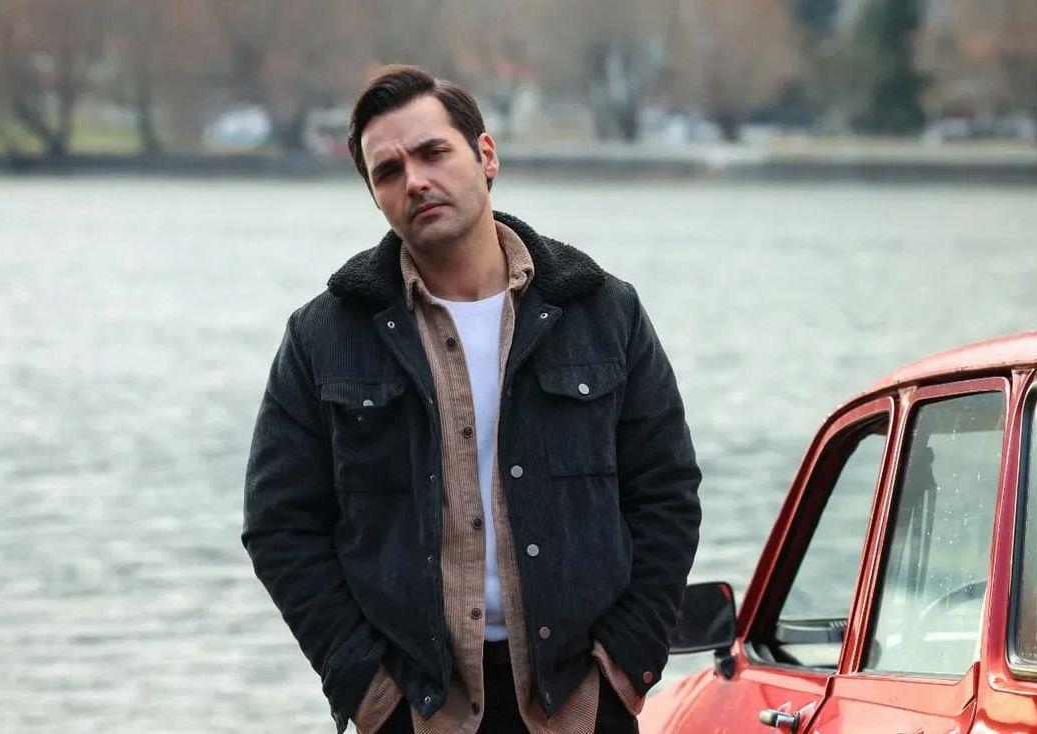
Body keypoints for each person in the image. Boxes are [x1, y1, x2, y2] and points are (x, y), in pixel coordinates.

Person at [243, 65, 702, 734]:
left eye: (433, 152)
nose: (415, 180)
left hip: (577, 702)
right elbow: (280, 526)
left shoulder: (603, 312)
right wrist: (368, 691)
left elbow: (666, 493)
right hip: (417, 710)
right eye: (389, 171)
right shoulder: (325, 337)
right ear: (375, 196)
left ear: (486, 156)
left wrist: (624, 667)